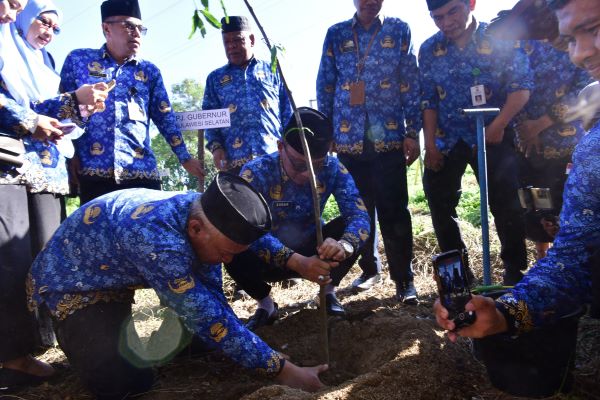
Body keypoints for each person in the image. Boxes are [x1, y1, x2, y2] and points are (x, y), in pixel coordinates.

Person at [27, 173, 327, 399]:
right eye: (225, 253)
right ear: (195, 229)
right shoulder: (155, 239)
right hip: (75, 284)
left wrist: (298, 262)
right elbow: (206, 314)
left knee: (206, 341)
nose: (226, 261)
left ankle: (173, 343)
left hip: (117, 271)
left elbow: (249, 238)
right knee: (124, 383)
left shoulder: (203, 210)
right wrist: (281, 369)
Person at [434, 0, 600, 341]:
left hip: (557, 142)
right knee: (540, 215)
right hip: (531, 151)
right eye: (569, 39)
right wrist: (505, 313)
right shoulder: (593, 154)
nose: (581, 53)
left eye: (594, 29)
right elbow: (572, 260)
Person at [0, 0, 108, 392]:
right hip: (7, 164)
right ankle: (10, 356)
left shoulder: (42, 60)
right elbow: (23, 110)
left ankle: (37, 346)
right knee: (9, 258)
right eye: (42, 21)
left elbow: (46, 108)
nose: (47, 31)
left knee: (45, 257)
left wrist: (79, 100)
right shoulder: (3, 42)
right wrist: (29, 121)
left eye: (54, 27)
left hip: (47, 170)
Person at [419, 0, 533, 285]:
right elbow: (428, 101)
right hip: (448, 139)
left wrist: (499, 125)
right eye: (438, 17)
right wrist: (430, 144)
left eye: (452, 12)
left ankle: (513, 274)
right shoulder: (430, 49)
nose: (446, 22)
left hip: (493, 132)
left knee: (506, 204)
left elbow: (521, 88)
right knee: (439, 204)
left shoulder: (498, 38)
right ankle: (457, 278)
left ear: (470, 4)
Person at [316, 0, 422, 302]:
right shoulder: (336, 34)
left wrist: (413, 132)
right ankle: (370, 269)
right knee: (359, 212)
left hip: (388, 138)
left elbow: (410, 82)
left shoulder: (399, 29)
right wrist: (327, 134)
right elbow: (326, 83)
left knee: (395, 212)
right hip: (348, 140)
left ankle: (404, 281)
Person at [226, 107, 370, 329]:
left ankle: (328, 293)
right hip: (266, 258)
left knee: (347, 228)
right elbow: (248, 228)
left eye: (317, 165)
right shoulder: (256, 172)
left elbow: (359, 215)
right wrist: (296, 262)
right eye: (299, 164)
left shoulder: (334, 168)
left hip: (313, 251)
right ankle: (266, 305)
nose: (307, 175)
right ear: (280, 146)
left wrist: (344, 246)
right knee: (233, 240)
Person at [59, 0, 204, 205]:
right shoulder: (78, 61)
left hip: (140, 172)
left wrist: (184, 157)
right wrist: (68, 156)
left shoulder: (149, 71)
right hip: (93, 172)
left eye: (140, 28)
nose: (136, 33)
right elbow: (62, 111)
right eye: (128, 26)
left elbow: (165, 117)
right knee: (98, 235)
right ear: (106, 28)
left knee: (144, 235)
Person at [202, 16, 292, 175]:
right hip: (233, 164)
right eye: (226, 42)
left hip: (274, 160)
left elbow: (287, 113)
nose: (231, 46)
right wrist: (216, 148)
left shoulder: (273, 70)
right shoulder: (215, 79)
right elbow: (210, 120)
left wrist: (290, 150)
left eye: (237, 40)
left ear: (251, 39)